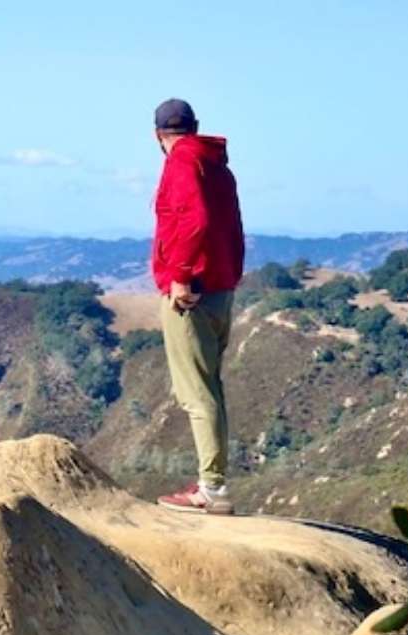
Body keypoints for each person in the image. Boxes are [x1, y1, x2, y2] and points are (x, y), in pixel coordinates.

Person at [150, 98, 244, 515]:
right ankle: (214, 482)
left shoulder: (182, 162)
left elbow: (195, 220)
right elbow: (231, 227)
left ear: (157, 136)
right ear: (195, 126)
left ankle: (212, 489)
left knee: (196, 391)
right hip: (220, 287)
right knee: (211, 386)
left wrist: (181, 274)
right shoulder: (216, 164)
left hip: (193, 290)